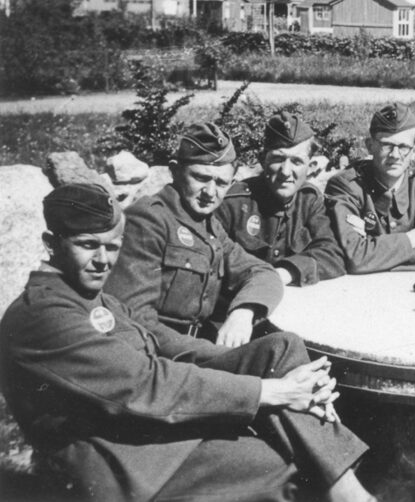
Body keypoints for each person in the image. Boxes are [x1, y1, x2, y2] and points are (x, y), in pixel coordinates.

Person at [0, 183, 374, 502]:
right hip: (122, 461)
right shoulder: (44, 315)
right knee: (290, 463)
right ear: (51, 243)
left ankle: (348, 491)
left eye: (113, 247)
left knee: (278, 349)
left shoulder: (92, 296)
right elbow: (145, 384)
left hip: (151, 433)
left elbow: (158, 345)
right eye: (88, 245)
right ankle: (348, 490)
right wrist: (270, 391)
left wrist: (248, 363)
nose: (103, 261)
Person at [105, 122, 283, 347]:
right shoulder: (148, 220)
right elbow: (134, 320)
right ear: (175, 171)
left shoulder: (208, 226)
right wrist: (206, 353)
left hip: (194, 345)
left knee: (283, 347)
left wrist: (244, 311)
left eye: (221, 183)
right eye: (201, 178)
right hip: (157, 354)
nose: (210, 192)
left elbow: (262, 272)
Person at [217, 111, 346, 286]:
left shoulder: (309, 201)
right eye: (278, 159)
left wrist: (286, 273)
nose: (286, 172)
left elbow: (332, 255)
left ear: (311, 167)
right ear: (263, 160)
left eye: (297, 162)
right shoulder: (233, 202)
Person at [325, 103, 415, 273]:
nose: (395, 155)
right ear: (370, 145)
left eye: (403, 147)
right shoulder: (347, 185)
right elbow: (356, 257)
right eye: (386, 145)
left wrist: (375, 257)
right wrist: (411, 239)